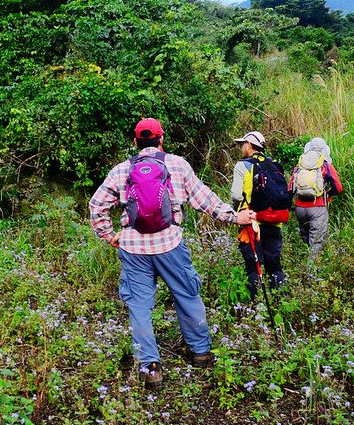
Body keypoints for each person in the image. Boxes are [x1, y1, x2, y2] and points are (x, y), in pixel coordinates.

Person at [89, 118, 256, 389]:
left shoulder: (121, 170)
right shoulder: (177, 164)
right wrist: (235, 217)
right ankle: (200, 352)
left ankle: (150, 368)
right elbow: (204, 198)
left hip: (133, 248)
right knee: (187, 294)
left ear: (135, 142)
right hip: (170, 245)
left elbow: (96, 205)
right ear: (161, 140)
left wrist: (109, 236)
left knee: (140, 307)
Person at [230, 131, 286, 301]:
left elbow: (236, 194)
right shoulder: (275, 165)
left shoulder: (243, 165)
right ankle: (280, 301)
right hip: (274, 222)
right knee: (274, 266)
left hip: (251, 224)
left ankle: (252, 305)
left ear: (250, 145)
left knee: (253, 267)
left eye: (243, 144)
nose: (241, 147)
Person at [288, 137, 343, 259]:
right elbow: (338, 187)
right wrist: (327, 194)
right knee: (316, 244)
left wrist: (288, 206)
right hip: (317, 208)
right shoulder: (325, 165)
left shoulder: (299, 165)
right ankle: (311, 275)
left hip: (299, 209)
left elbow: (290, 188)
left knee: (306, 241)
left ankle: (303, 268)